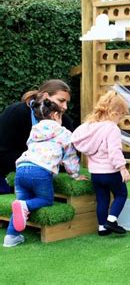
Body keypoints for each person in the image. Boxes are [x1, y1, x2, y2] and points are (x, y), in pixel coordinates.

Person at [3, 99, 86, 248]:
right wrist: (75, 175)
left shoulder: (35, 130)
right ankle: (24, 205)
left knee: (21, 202)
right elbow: (70, 157)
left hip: (21, 168)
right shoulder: (64, 133)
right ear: (55, 115)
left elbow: (31, 146)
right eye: (60, 116)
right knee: (45, 199)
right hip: (40, 170)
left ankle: (11, 236)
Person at [72, 91, 130, 236]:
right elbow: (114, 151)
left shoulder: (90, 126)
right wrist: (123, 168)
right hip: (111, 172)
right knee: (121, 194)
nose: (120, 119)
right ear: (115, 112)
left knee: (102, 199)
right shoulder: (112, 128)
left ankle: (102, 227)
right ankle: (111, 221)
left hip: (96, 174)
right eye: (121, 115)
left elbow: (75, 137)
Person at [0, 79, 73, 194]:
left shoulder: (65, 122)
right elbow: (3, 153)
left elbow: (68, 156)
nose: (65, 107)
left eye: (67, 102)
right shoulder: (15, 112)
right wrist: (38, 161)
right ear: (45, 96)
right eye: (61, 101)